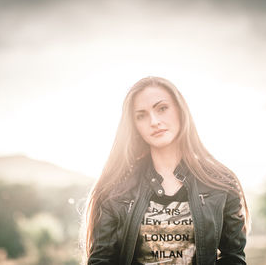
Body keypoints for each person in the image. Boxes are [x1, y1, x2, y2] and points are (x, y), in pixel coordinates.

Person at [84, 76, 250, 265]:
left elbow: (233, 258)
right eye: (141, 115)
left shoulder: (221, 183)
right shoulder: (116, 188)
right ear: (134, 126)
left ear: (180, 110)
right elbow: (101, 261)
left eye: (162, 108)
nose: (154, 121)